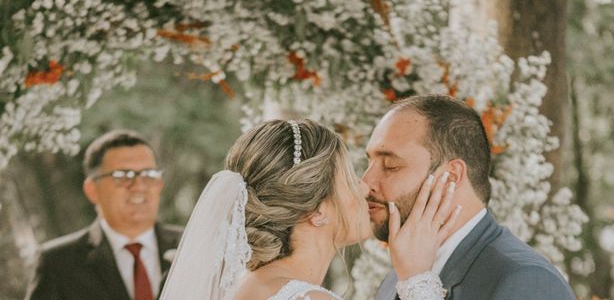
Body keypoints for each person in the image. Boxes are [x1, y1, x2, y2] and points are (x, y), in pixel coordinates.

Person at [159, 119, 458, 300]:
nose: (365, 186)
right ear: (317, 211)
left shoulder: (247, 286)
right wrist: (418, 280)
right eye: (350, 178)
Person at [364, 94, 576, 300]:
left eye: (390, 166)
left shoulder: (528, 281)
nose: (366, 183)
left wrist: (416, 284)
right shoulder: (394, 280)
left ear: (451, 176)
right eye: (369, 163)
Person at [25, 129, 182, 300]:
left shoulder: (195, 245)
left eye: (148, 174)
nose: (139, 186)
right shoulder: (57, 263)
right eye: (123, 176)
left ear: (160, 184)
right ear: (92, 190)